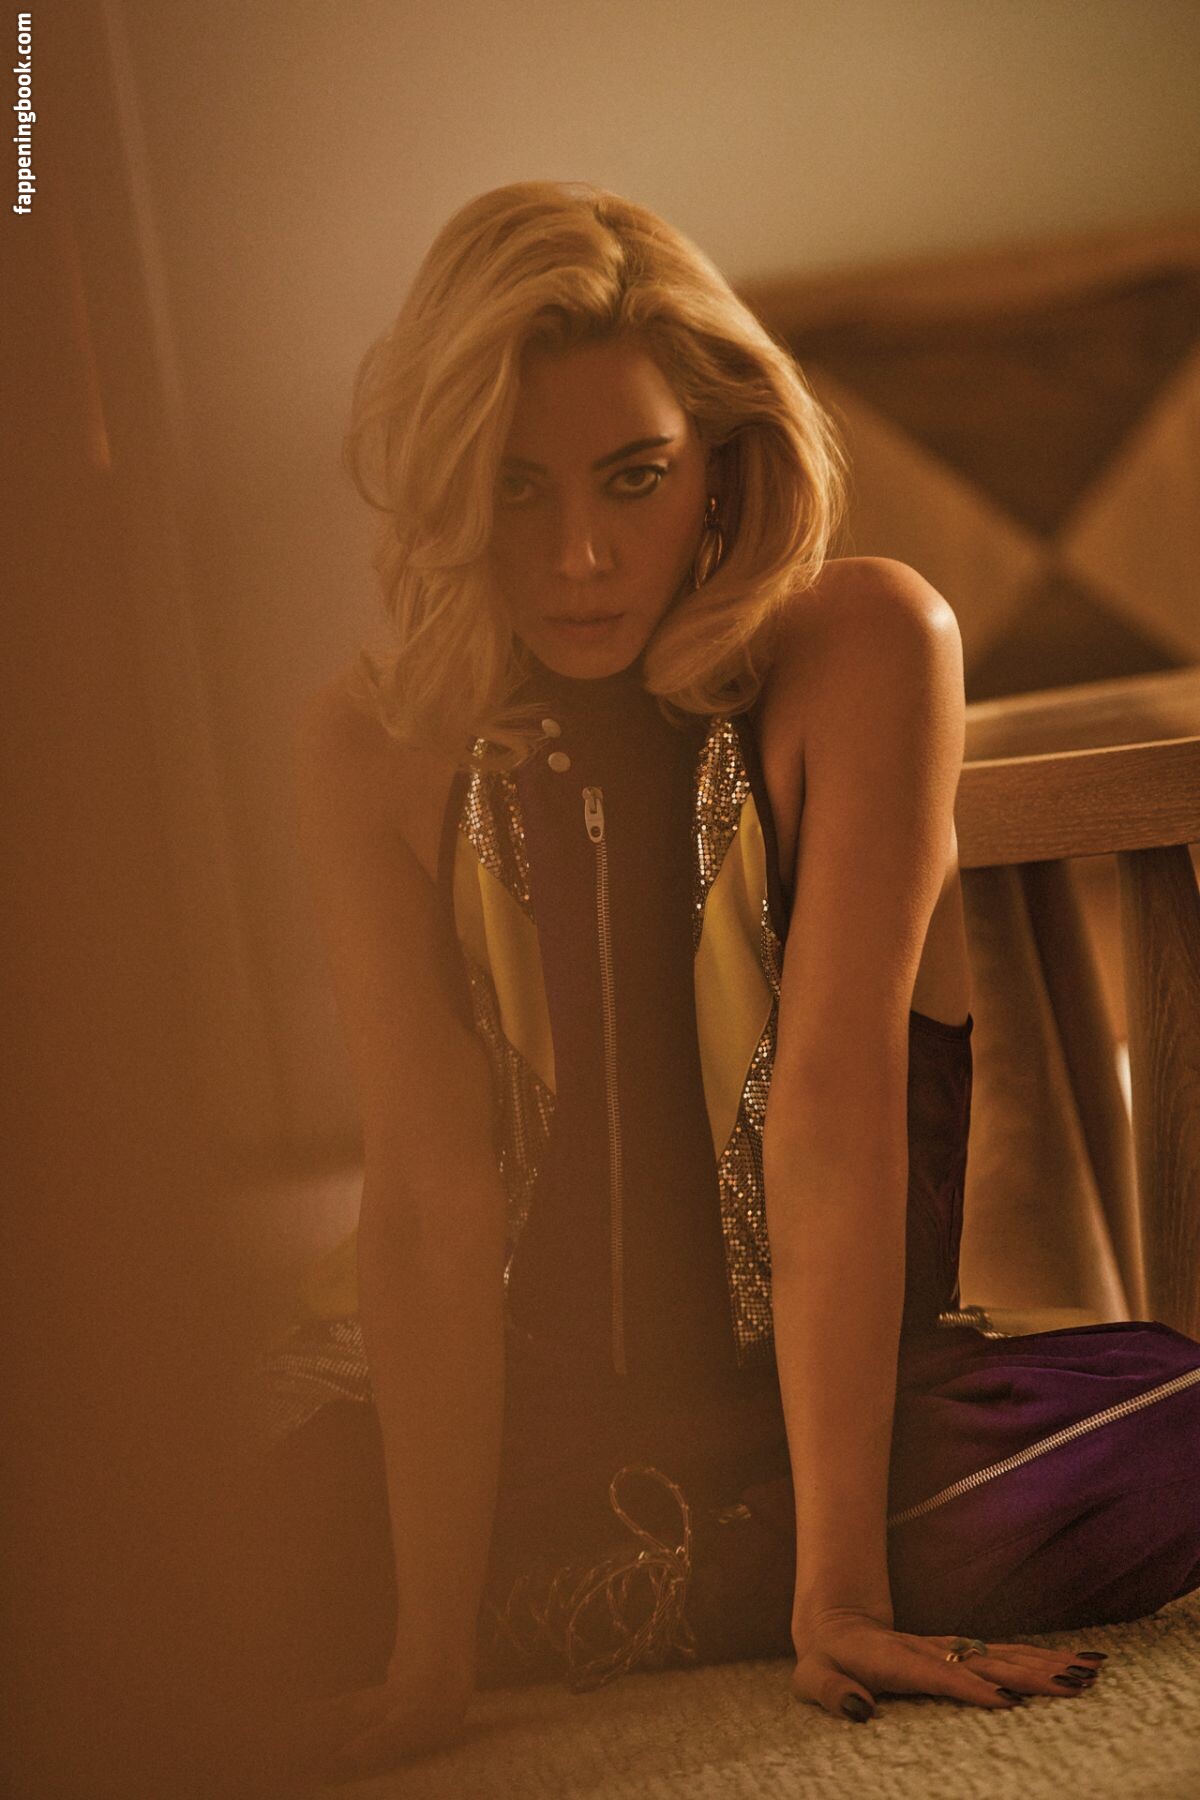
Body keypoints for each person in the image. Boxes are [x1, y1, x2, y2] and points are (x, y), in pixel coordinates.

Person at [261, 180, 1200, 1784]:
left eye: (634, 477)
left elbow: (829, 1122)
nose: (577, 556)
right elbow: (425, 1201)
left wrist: (842, 1598)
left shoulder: (866, 641)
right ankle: (623, 1587)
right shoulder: (370, 742)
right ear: (447, 490)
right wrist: (427, 1662)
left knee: (1175, 1428)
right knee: (161, 1547)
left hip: (868, 1432)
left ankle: (674, 1589)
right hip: (534, 1443)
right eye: (513, 488)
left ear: (720, 457)